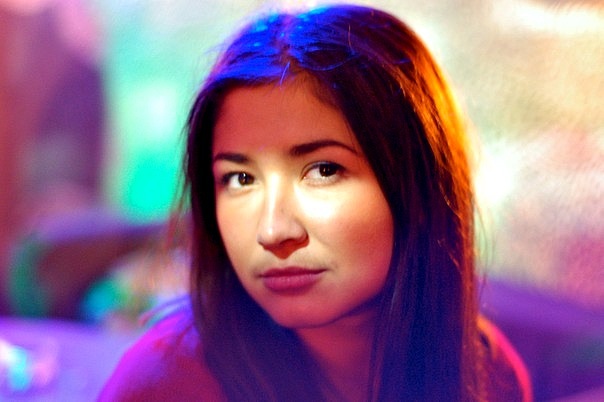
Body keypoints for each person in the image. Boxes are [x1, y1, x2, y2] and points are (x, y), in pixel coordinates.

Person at [100, 4, 532, 401]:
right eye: (240, 179)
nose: (273, 231)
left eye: (323, 170)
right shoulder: (168, 384)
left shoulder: (486, 372)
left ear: (416, 181)